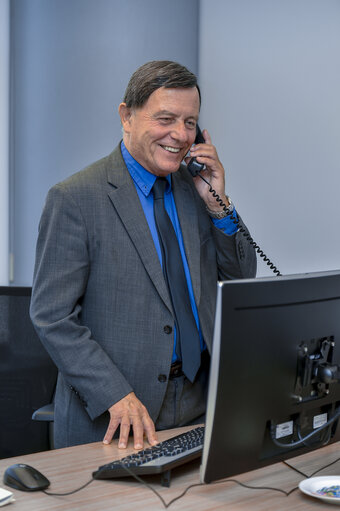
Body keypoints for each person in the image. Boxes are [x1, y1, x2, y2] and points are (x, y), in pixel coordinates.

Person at [30, 60, 256, 450]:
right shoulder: (75, 198)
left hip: (200, 402)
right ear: (127, 117)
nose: (181, 135)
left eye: (190, 122)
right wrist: (115, 394)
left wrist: (219, 204)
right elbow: (52, 316)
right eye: (166, 118)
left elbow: (240, 277)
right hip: (117, 415)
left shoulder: (195, 188)